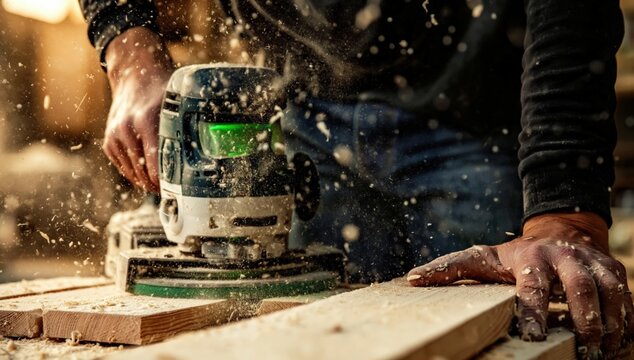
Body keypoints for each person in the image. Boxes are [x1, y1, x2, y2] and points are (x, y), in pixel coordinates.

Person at [79, 0, 631, 358]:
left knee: (504, 335)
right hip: (304, 114)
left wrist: (563, 209)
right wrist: (129, 52)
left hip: (473, 112)